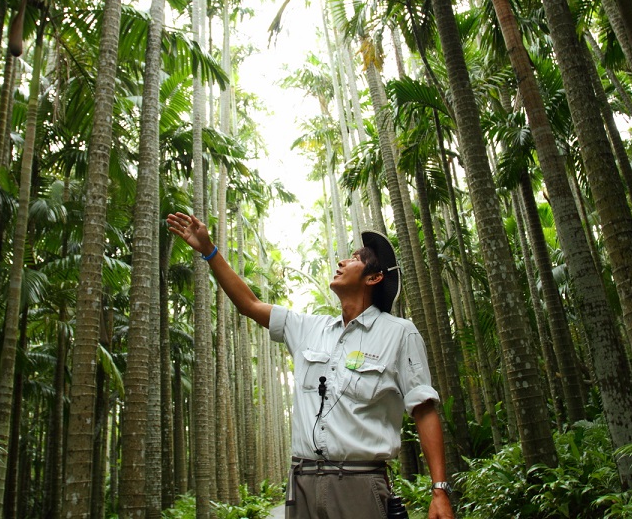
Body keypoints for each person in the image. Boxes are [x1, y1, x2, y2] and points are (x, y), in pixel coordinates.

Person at [166, 212, 456, 519]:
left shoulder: (399, 333)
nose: (342, 262)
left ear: (374, 277)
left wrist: (439, 490)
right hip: (301, 484)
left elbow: (424, 410)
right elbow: (248, 305)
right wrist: (209, 251)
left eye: (355, 258)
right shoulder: (308, 328)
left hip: (359, 484)